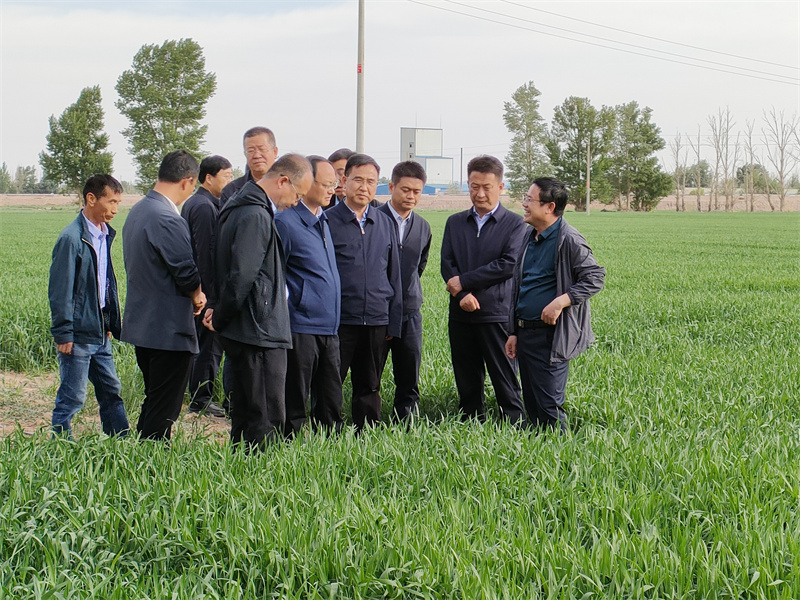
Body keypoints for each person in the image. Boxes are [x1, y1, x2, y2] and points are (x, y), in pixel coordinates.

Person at [206, 154, 313, 449]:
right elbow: (242, 275)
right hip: (259, 330)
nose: (295, 202)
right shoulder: (255, 214)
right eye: (297, 193)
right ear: (282, 181)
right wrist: (221, 317)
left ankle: (242, 473)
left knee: (247, 410)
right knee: (265, 415)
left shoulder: (241, 206)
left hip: (247, 328)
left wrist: (222, 316)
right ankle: (262, 482)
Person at [505, 177, 605, 432]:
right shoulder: (529, 236)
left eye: (529, 199)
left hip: (551, 335)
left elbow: (595, 277)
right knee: (533, 406)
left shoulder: (569, 239)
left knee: (549, 406)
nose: (524, 204)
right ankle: (537, 461)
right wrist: (514, 331)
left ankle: (559, 462)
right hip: (525, 332)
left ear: (549, 207)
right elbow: (521, 285)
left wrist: (560, 302)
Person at [121, 150, 207, 441]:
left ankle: (142, 454)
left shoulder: (140, 209)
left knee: (155, 397)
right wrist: (197, 295)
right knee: (165, 405)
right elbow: (186, 271)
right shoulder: (167, 217)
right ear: (187, 181)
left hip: (144, 326)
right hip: (168, 329)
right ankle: (151, 462)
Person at [440, 155, 526, 423]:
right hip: (461, 313)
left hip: (496, 313)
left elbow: (508, 265)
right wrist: (462, 295)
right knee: (466, 376)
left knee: (504, 376)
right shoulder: (455, 222)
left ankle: (515, 423)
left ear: (500, 187)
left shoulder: (515, 224)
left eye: (486, 187)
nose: (479, 193)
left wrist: (464, 283)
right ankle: (470, 421)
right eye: (474, 186)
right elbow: (447, 263)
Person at [48, 175, 130, 438]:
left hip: (99, 332)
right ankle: (59, 445)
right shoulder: (72, 239)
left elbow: (103, 285)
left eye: (119, 202)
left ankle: (121, 440)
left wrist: (107, 322)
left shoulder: (104, 235)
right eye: (111, 201)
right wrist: (63, 332)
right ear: (91, 199)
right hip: (78, 334)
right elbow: (60, 290)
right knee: (72, 397)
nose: (116, 208)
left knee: (111, 390)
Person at [327, 153, 402, 430]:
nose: (364, 187)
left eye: (371, 181)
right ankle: (327, 432)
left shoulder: (384, 223)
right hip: (339, 319)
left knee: (370, 383)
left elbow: (394, 273)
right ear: (344, 181)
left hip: (376, 318)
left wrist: (393, 318)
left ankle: (367, 431)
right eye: (358, 179)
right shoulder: (327, 222)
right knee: (331, 380)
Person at [275, 156, 344, 436]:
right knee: (295, 397)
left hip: (330, 326)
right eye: (325, 184)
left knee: (330, 400)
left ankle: (330, 448)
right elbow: (277, 276)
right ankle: (289, 451)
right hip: (301, 326)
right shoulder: (286, 222)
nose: (330, 190)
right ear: (306, 182)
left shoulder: (323, 220)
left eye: (334, 184)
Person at [377, 161, 432, 421]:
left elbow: (418, 266)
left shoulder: (422, 227)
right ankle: (367, 421)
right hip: (377, 311)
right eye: (405, 190)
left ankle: (407, 420)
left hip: (410, 311)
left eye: (417, 191)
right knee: (371, 372)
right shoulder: (374, 220)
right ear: (391, 187)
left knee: (409, 371)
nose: (411, 196)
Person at [181, 155, 233, 418]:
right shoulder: (203, 206)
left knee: (207, 346)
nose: (230, 181)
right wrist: (209, 295)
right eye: (227, 176)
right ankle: (200, 399)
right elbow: (205, 254)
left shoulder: (204, 203)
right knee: (209, 347)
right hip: (206, 292)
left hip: (203, 291)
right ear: (209, 178)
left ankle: (200, 395)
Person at [220, 127, 278, 205]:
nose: (257, 155)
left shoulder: (289, 186)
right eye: (251, 151)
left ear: (275, 152)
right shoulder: (231, 191)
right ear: (245, 154)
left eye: (262, 149)